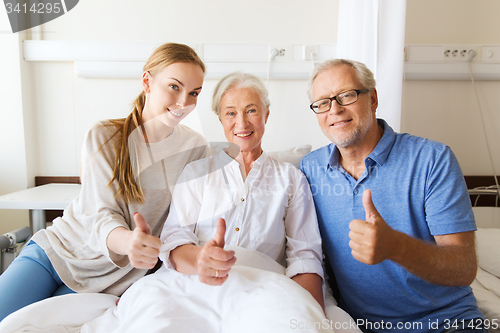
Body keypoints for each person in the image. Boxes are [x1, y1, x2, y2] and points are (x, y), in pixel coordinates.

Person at [95, 72, 334, 332]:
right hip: (192, 285)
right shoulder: (195, 173)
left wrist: (311, 315)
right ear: (220, 119)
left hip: (262, 287)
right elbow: (175, 239)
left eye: (251, 110)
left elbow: (304, 254)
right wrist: (201, 259)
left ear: (266, 115)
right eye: (230, 113)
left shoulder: (291, 179)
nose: (241, 122)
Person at [0, 42, 208, 321]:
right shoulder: (105, 136)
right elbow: (100, 213)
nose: (184, 102)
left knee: (32, 326)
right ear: (147, 81)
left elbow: (183, 224)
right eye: (174, 87)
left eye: (194, 93)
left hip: (114, 279)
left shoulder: (195, 147)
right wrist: (129, 242)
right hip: (58, 253)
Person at [299, 59, 486, 333]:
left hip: (447, 323)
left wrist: (396, 247)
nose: (335, 109)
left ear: (372, 98)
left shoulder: (432, 160)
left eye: (346, 96)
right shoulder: (310, 170)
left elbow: (464, 267)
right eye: (323, 103)